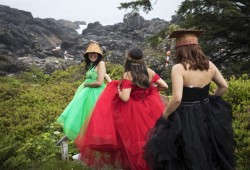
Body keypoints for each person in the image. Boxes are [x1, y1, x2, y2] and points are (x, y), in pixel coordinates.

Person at [143, 30, 235, 170]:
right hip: (207, 113)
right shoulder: (209, 65)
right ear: (197, 48)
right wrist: (211, 100)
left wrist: (165, 116)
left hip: (185, 117)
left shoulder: (179, 68)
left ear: (180, 50)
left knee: (187, 154)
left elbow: (177, 99)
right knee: (209, 150)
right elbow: (223, 86)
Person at [75, 47, 168, 169]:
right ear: (142, 59)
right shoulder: (149, 71)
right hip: (150, 107)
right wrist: (151, 89)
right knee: (150, 136)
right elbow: (165, 86)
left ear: (129, 59)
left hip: (134, 111)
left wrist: (119, 90)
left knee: (134, 141)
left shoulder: (128, 74)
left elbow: (125, 98)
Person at [57, 41, 110, 142]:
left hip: (96, 93)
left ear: (99, 55)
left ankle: (96, 143)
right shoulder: (91, 65)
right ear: (87, 55)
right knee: (85, 118)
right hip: (87, 93)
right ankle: (88, 143)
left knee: (96, 117)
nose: (93, 55)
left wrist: (86, 85)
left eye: (95, 53)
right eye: (91, 53)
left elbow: (99, 82)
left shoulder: (101, 63)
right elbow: (104, 75)